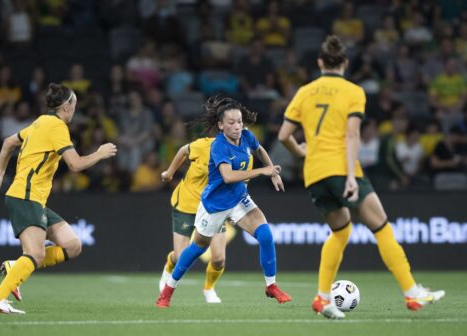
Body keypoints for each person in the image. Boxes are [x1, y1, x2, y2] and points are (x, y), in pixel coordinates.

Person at [278, 35, 445, 319]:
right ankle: (411, 293)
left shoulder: (305, 91)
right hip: (342, 169)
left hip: (315, 174)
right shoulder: (353, 91)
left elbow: (284, 136)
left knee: (341, 232)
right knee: (381, 227)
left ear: (320, 62)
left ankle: (322, 298)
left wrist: (302, 152)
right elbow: (353, 134)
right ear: (344, 62)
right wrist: (351, 177)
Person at [0, 83, 117, 314]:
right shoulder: (56, 126)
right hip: (26, 197)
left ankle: (15, 267)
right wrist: (99, 154)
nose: (74, 110)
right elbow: (74, 164)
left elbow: (8, 142)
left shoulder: (40, 122)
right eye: (74, 105)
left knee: (73, 246)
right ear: (66, 106)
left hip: (32, 198)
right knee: (35, 254)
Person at [156, 95, 291, 308]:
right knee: (197, 249)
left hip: (239, 199)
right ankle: (168, 291)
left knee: (265, 234)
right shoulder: (219, 146)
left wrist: (273, 171)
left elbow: (259, 149)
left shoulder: (246, 135)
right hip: (215, 205)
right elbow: (228, 177)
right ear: (220, 125)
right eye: (231, 123)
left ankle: (271, 286)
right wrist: (262, 171)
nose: (237, 126)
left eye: (239, 121)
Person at [158, 133, 252, 303]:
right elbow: (183, 150)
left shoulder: (242, 151)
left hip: (214, 206)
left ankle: (208, 288)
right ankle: (169, 266)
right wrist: (170, 172)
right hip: (188, 202)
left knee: (218, 259)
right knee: (181, 257)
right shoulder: (203, 145)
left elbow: (240, 180)